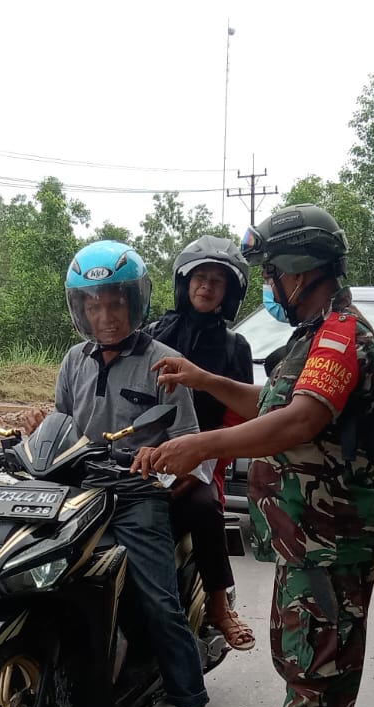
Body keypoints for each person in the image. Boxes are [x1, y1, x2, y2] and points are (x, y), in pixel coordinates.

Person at [134, 204, 374, 707]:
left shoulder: (338, 337)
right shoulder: (312, 335)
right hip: (310, 533)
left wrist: (202, 445)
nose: (269, 285)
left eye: (274, 272)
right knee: (314, 654)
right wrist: (203, 379)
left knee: (313, 660)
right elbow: (267, 402)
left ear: (302, 271)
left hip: (327, 533)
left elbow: (299, 421)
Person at [19, 240, 226, 707]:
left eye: (114, 303)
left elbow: (190, 444)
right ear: (79, 308)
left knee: (159, 601)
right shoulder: (72, 360)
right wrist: (37, 431)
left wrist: (161, 465)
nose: (104, 316)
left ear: (134, 304)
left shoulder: (164, 363)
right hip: (77, 492)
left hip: (137, 499)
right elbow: (62, 426)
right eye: (93, 305)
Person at [145, 236, 257, 652]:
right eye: (199, 278)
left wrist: (207, 460)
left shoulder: (234, 347)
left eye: (217, 281)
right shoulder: (153, 333)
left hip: (204, 457)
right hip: (145, 451)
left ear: (229, 293)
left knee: (205, 507)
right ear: (183, 283)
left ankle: (218, 605)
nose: (206, 287)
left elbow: (239, 414)